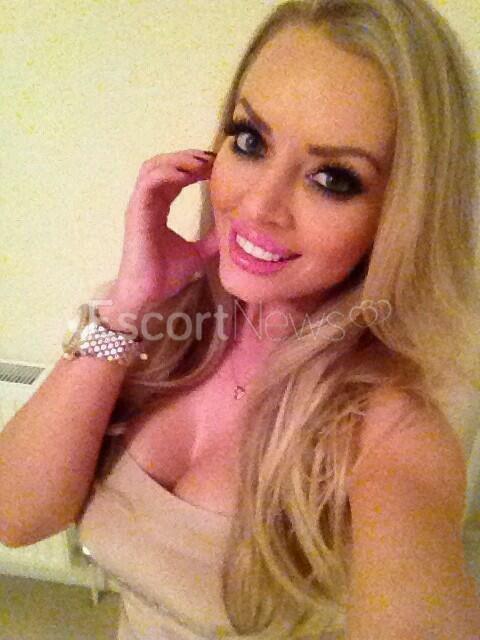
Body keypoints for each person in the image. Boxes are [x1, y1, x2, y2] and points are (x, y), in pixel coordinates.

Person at [1, 0, 479, 638]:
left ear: (401, 213)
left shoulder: (392, 423)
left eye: (334, 179)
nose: (257, 205)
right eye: (251, 141)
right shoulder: (151, 322)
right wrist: (129, 305)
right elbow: (17, 514)